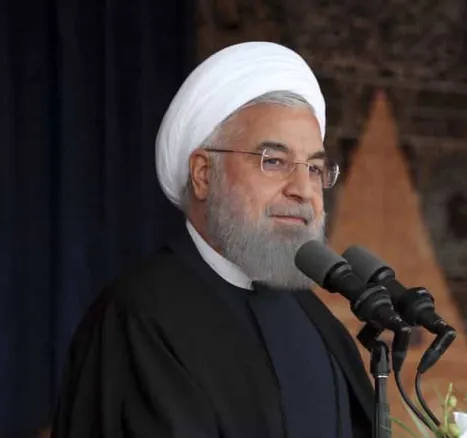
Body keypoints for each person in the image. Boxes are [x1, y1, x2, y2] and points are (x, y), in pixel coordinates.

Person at [50, 41, 373, 438]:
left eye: (315, 169)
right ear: (204, 174)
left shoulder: (316, 321)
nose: (303, 190)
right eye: (274, 161)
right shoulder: (139, 318)